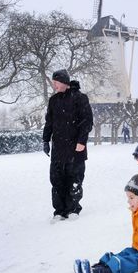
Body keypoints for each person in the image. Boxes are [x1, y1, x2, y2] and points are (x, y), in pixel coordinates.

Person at [42, 69, 93, 222]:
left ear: (64, 81)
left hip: (75, 147)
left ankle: (73, 209)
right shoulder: (54, 101)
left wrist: (81, 142)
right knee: (56, 179)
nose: (54, 84)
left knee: (75, 177)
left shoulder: (80, 98)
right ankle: (59, 210)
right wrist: (45, 140)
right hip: (58, 148)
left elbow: (87, 122)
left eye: (56, 81)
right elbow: (49, 122)